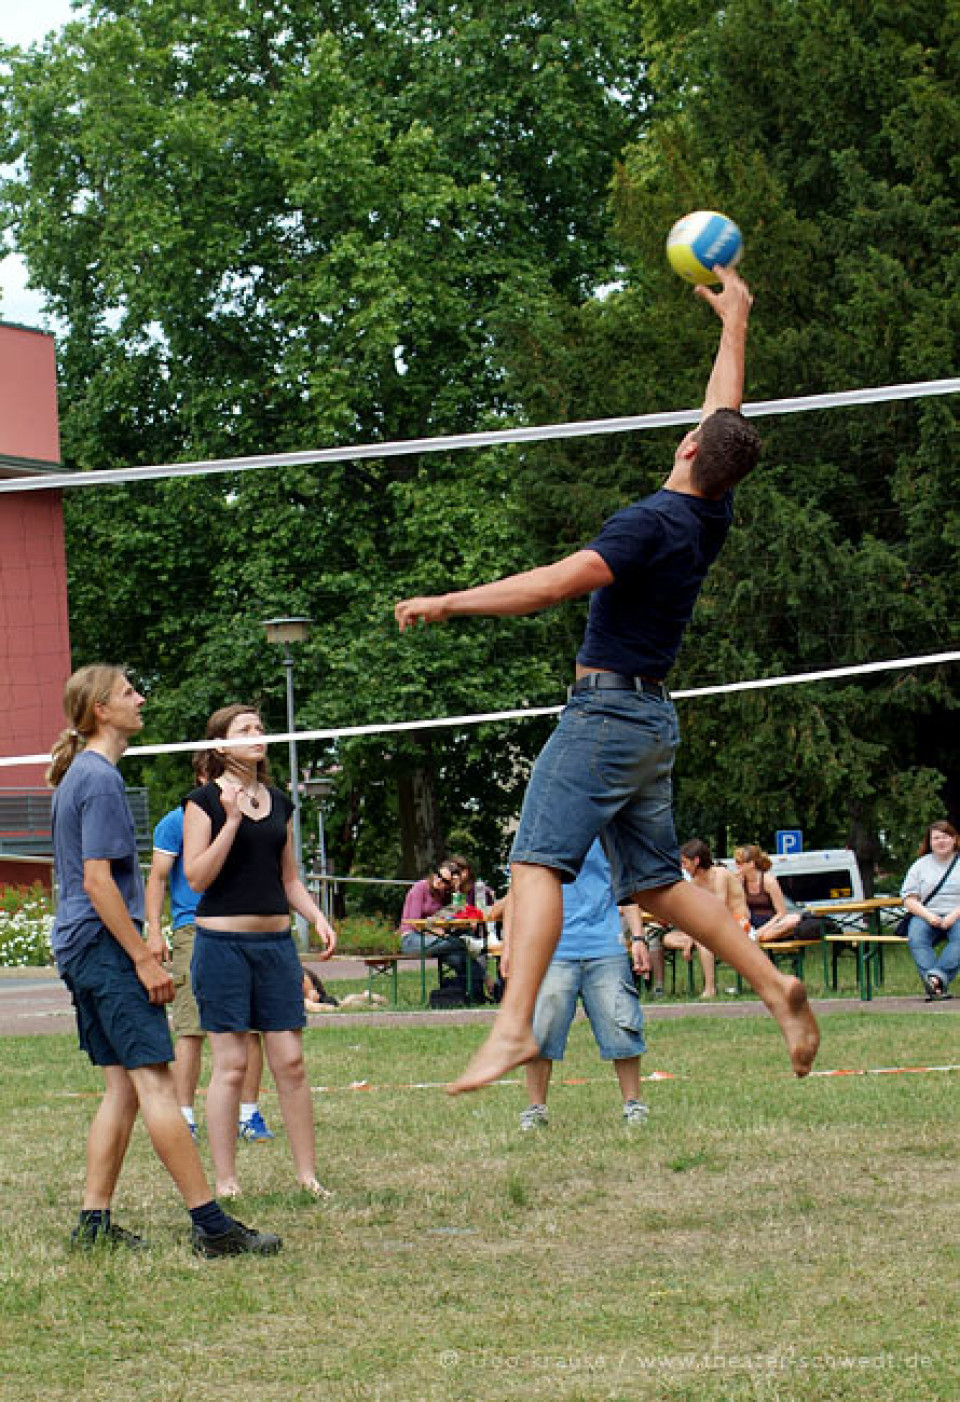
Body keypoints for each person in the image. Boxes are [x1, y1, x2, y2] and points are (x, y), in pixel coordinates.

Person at [395, 266, 820, 1092]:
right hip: (651, 723)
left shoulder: (651, 522)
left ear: (689, 447)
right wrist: (735, 321)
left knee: (536, 863)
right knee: (657, 885)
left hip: (604, 717)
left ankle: (514, 1026)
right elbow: (725, 414)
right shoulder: (711, 508)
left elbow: (553, 583)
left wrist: (450, 602)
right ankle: (774, 985)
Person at [48, 665, 280, 1257]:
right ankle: (212, 1226)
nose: (141, 697)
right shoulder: (97, 779)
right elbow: (98, 883)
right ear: (101, 708)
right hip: (100, 947)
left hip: (82, 945)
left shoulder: (85, 773)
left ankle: (93, 1224)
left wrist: (144, 936)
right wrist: (145, 958)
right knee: (156, 1081)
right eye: (129, 691)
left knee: (122, 1090)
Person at [182, 703, 337, 1199]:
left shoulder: (278, 801)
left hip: (275, 944)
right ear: (221, 745)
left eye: (260, 728)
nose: (258, 735)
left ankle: (307, 1176)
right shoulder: (202, 802)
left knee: (289, 1061)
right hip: (221, 945)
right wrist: (229, 822)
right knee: (230, 1065)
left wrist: (315, 917)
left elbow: (289, 877)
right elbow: (196, 876)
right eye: (245, 729)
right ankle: (226, 1182)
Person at [145, 753, 276, 1143]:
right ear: (203, 778)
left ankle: (247, 1115)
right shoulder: (177, 821)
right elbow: (157, 879)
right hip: (193, 931)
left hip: (242, 929)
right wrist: (155, 931)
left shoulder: (254, 817)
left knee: (248, 1027)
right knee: (192, 1027)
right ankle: (184, 1116)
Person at [516, 839, 650, 1130]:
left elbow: (627, 892)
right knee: (541, 1031)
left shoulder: (608, 832)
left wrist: (638, 937)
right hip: (552, 948)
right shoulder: (541, 834)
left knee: (622, 1025)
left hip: (606, 946)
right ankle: (536, 1109)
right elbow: (520, 893)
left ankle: (633, 1104)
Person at [665, 839, 752, 997]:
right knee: (668, 938)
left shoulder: (720, 874)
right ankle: (691, 943)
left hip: (736, 923)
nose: (683, 867)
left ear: (696, 861)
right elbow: (693, 914)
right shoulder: (695, 882)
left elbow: (719, 909)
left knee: (702, 940)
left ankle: (710, 988)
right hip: (711, 927)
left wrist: (695, 935)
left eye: (685, 863)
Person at [399, 861, 484, 993]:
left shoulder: (444, 894)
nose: (439, 880)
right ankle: (470, 944)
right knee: (458, 943)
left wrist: (456, 888)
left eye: (445, 880)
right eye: (438, 875)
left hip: (439, 941)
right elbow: (414, 923)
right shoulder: (420, 887)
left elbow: (458, 912)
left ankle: (475, 994)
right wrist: (434, 931)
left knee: (460, 958)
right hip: (412, 938)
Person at [900, 820, 960, 1000]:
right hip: (926, 914)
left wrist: (952, 916)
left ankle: (934, 980)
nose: (941, 841)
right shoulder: (920, 865)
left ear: (955, 839)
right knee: (917, 938)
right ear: (929, 842)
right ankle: (937, 983)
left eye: (945, 837)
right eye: (936, 838)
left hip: (956, 914)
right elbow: (909, 899)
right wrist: (928, 915)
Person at [732, 845, 801, 944]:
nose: (736, 866)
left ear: (751, 864)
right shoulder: (740, 881)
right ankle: (755, 937)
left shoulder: (769, 881)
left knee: (794, 919)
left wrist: (761, 931)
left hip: (770, 922)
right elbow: (739, 910)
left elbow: (781, 913)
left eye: (739, 863)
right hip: (750, 922)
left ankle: (756, 937)